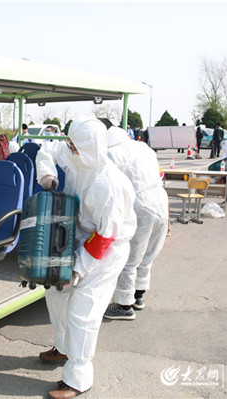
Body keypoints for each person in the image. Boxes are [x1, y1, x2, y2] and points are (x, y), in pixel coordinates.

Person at [35, 119, 137, 399]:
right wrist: (46, 173)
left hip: (105, 251)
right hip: (78, 239)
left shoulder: (108, 184)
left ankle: (78, 377)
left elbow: (105, 236)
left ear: (88, 147)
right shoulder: (77, 156)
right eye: (69, 143)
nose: (68, 148)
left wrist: (79, 269)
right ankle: (63, 347)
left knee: (83, 311)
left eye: (73, 145)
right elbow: (47, 149)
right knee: (56, 294)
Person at [96, 119, 169, 321]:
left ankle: (123, 305)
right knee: (147, 254)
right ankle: (139, 296)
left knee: (129, 255)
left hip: (139, 205)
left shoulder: (111, 153)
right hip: (161, 199)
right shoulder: (141, 146)